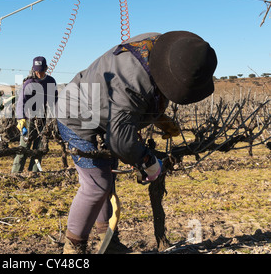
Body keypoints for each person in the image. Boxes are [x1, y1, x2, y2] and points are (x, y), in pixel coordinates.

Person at [56, 31, 217, 253]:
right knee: (96, 185)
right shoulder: (130, 84)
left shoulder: (163, 48)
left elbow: (148, 92)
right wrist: (148, 162)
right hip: (77, 115)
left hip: (101, 111)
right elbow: (121, 140)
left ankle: (108, 242)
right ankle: (73, 249)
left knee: (107, 181)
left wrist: (159, 118)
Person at [12, 56, 58, 173]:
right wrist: (21, 118)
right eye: (37, 71)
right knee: (23, 148)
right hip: (28, 120)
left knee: (39, 148)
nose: (39, 74)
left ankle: (34, 172)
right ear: (33, 70)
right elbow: (21, 101)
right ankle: (16, 173)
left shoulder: (50, 81)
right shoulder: (29, 82)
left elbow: (55, 100)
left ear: (46, 68)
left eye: (41, 71)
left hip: (43, 119)